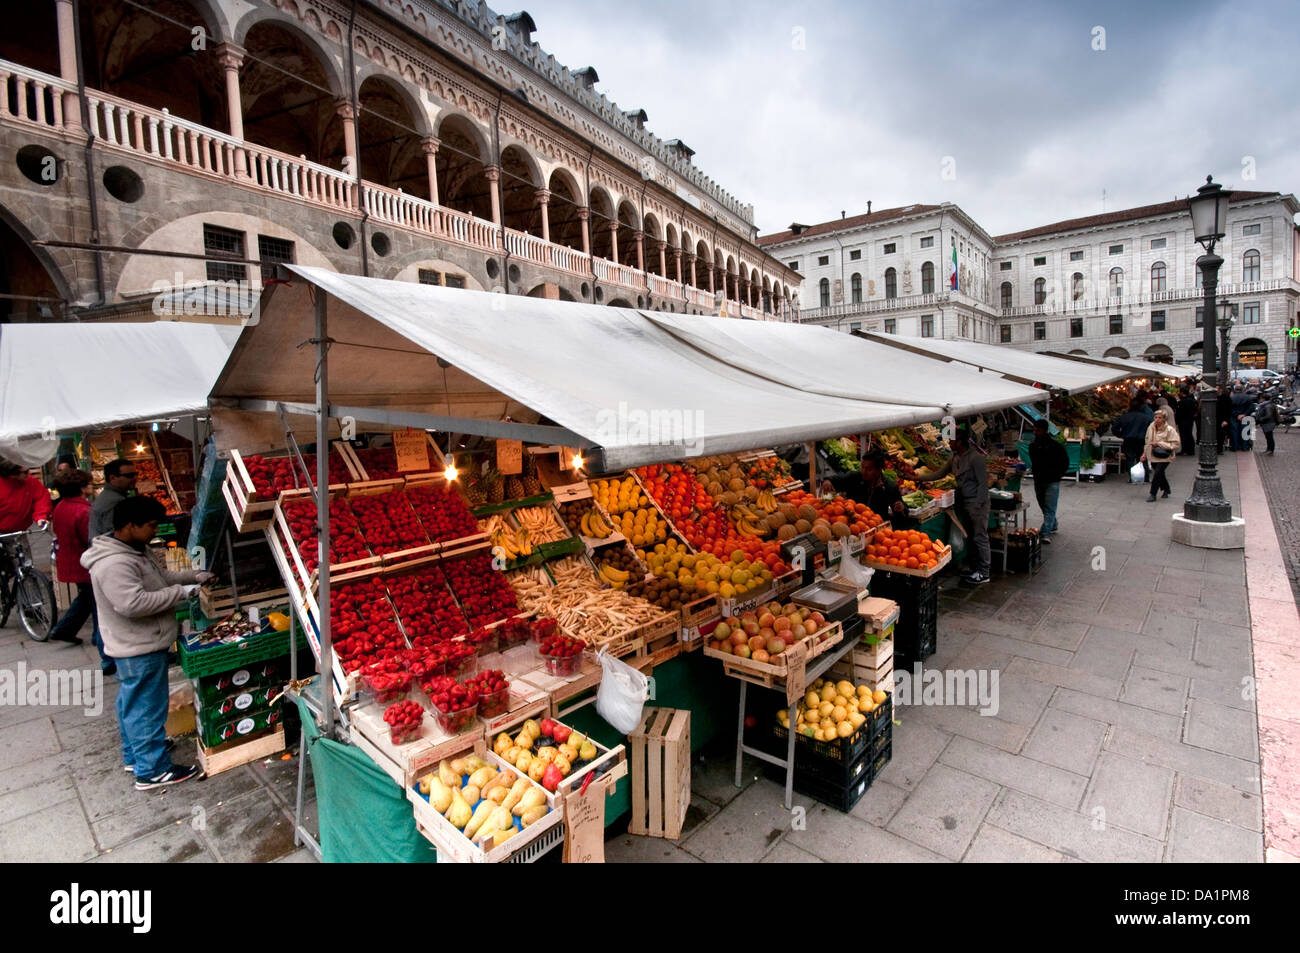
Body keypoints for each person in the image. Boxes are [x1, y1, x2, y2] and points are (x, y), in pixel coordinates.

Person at [82, 496, 214, 790]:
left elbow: (160, 577)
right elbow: (133, 603)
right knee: (147, 707)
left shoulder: (133, 550)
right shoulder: (114, 563)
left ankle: (136, 756)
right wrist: (183, 592)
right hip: (137, 646)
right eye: (151, 525)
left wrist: (194, 575)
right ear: (130, 526)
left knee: (133, 703)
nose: (155, 531)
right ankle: (152, 770)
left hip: (137, 643)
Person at [918, 427, 990, 585]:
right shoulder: (955, 457)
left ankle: (984, 572)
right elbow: (940, 474)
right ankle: (974, 568)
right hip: (965, 501)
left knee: (980, 537)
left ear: (960, 441)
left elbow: (983, 484)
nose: (949, 443)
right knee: (971, 537)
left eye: (951, 440)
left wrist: (978, 505)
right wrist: (917, 477)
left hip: (977, 503)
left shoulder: (975, 458)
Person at [47, 470, 101, 655]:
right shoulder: (84, 510)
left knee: (87, 598)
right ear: (81, 487)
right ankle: (96, 636)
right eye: (89, 483)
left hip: (71, 560)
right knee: (95, 600)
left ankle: (65, 629)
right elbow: (90, 538)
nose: (91, 487)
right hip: (85, 562)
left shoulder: (61, 506)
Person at [819, 450, 905, 521]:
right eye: (863, 467)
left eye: (869, 469)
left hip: (874, 527)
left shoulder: (889, 487)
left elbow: (901, 515)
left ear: (879, 470)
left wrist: (900, 509)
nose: (864, 471)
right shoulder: (855, 477)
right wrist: (828, 481)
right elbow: (838, 479)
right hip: (851, 523)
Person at [1026, 419, 1068, 544]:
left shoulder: (1055, 446)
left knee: (1049, 506)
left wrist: (1058, 475)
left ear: (1044, 430)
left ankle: (1045, 532)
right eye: (1034, 430)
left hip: (1052, 481)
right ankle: (1053, 524)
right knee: (1043, 504)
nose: (1035, 432)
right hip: (1039, 480)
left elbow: (1065, 462)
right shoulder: (1033, 446)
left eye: (1037, 430)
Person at [0, 459, 53, 534]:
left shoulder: (30, 481)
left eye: (29, 469)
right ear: (13, 474)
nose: (29, 473)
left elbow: (41, 498)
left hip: (19, 532)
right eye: (25, 472)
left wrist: (41, 516)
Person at [90, 458, 137, 538]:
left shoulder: (108, 496)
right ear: (112, 478)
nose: (135, 478)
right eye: (129, 476)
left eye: (136, 474)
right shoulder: (115, 502)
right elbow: (113, 535)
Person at [1141, 408, 1181, 502]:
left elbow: (1175, 443)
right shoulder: (1150, 428)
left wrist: (1160, 444)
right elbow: (1147, 441)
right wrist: (1144, 454)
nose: (1157, 419)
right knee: (1160, 474)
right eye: (1155, 417)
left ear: (1164, 419)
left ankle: (1152, 494)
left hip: (1165, 455)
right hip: (1153, 454)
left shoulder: (1170, 430)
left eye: (1160, 417)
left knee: (1158, 473)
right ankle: (1166, 489)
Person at [1112, 399, 1152, 483]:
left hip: (1128, 440)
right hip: (1142, 440)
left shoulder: (1124, 417)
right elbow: (1151, 430)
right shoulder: (1146, 418)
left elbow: (1114, 428)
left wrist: (1121, 435)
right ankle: (1146, 477)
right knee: (1142, 459)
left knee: (1130, 459)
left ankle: (1133, 478)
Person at [1175, 387, 1198, 456]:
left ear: (1182, 393)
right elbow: (1194, 409)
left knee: (1184, 435)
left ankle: (1185, 450)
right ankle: (1191, 450)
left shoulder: (1182, 402)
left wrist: (1177, 421)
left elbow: (1180, 412)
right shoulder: (1191, 400)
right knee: (1189, 434)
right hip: (1190, 420)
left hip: (1183, 420)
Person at [1216, 385, 1233, 454]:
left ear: (1220, 390)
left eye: (1217, 389)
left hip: (1222, 419)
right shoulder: (1213, 397)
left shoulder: (1226, 398)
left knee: (1221, 434)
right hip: (1215, 418)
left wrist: (1226, 420)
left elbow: (1229, 410)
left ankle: (1219, 449)